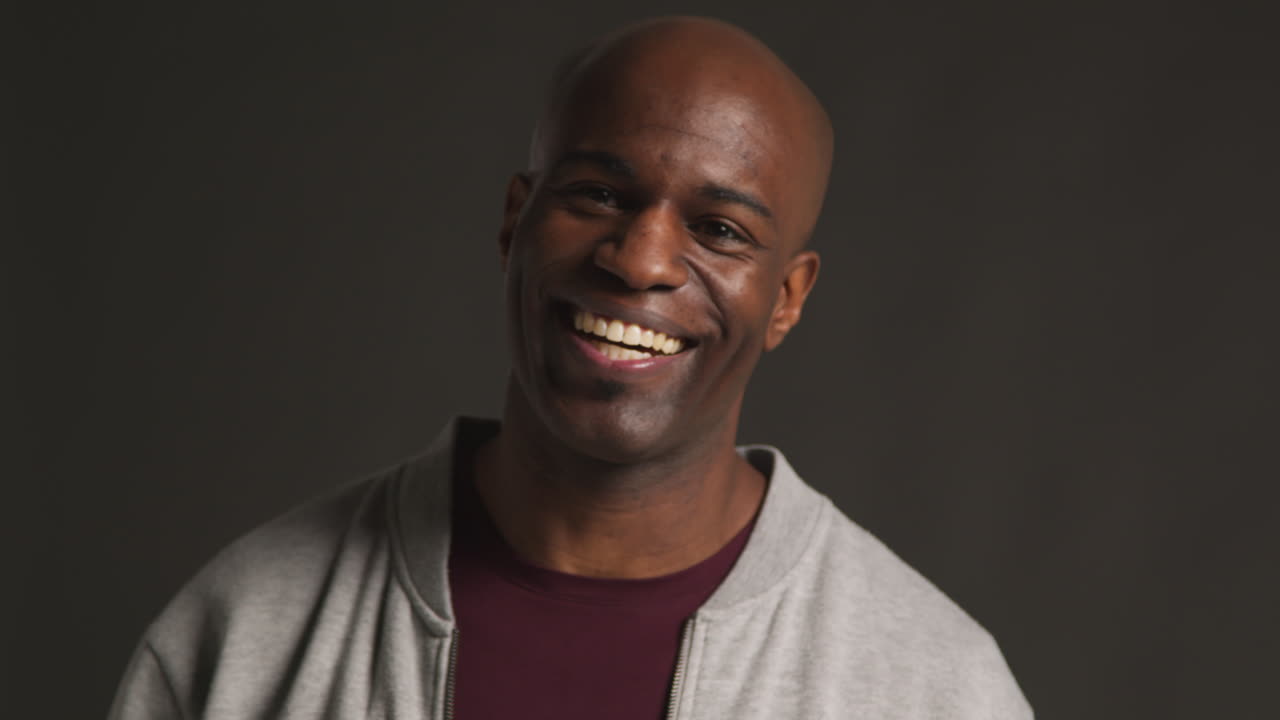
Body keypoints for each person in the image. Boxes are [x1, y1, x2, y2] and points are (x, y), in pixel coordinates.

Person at [110, 16, 1031, 719]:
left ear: (787, 298)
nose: (640, 261)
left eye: (719, 229)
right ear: (515, 220)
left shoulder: (936, 687)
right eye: (598, 193)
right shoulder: (243, 630)